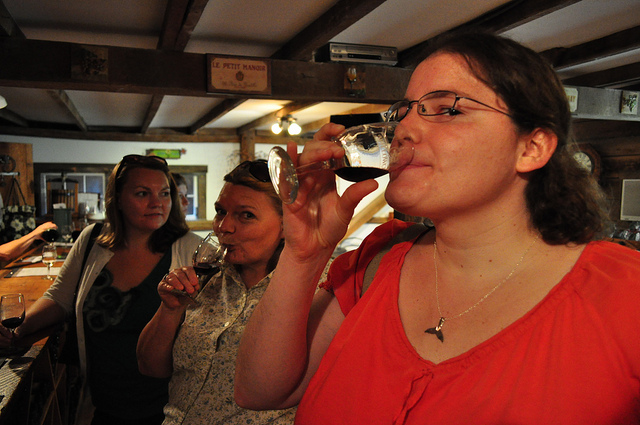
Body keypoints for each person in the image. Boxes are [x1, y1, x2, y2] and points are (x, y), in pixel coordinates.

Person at [234, 31, 640, 424]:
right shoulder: (377, 261)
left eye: (448, 109)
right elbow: (260, 392)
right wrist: (304, 254)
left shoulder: (624, 294)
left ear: (531, 148)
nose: (403, 130)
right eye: (404, 112)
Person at [2, 154, 202, 425]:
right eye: (142, 193)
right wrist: (18, 330)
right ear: (117, 198)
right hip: (102, 400)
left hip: (168, 405)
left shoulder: (192, 249)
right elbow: (59, 297)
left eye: (164, 193)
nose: (157, 203)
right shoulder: (92, 240)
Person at [137, 159, 296, 424]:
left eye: (246, 215)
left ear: (285, 225)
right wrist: (170, 310)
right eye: (220, 211)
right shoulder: (207, 280)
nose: (224, 227)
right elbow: (150, 367)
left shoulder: (315, 289)